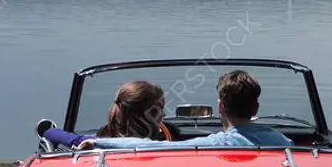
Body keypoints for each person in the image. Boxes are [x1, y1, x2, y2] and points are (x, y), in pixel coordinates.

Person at [79, 70, 292, 150]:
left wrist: (97, 142)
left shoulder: (214, 144)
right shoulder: (284, 142)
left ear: (220, 108)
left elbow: (147, 147)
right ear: (256, 107)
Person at [41, 80, 169, 148]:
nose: (163, 114)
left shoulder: (96, 143)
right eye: (159, 109)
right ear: (146, 114)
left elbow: (51, 133)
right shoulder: (165, 147)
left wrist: (46, 130)